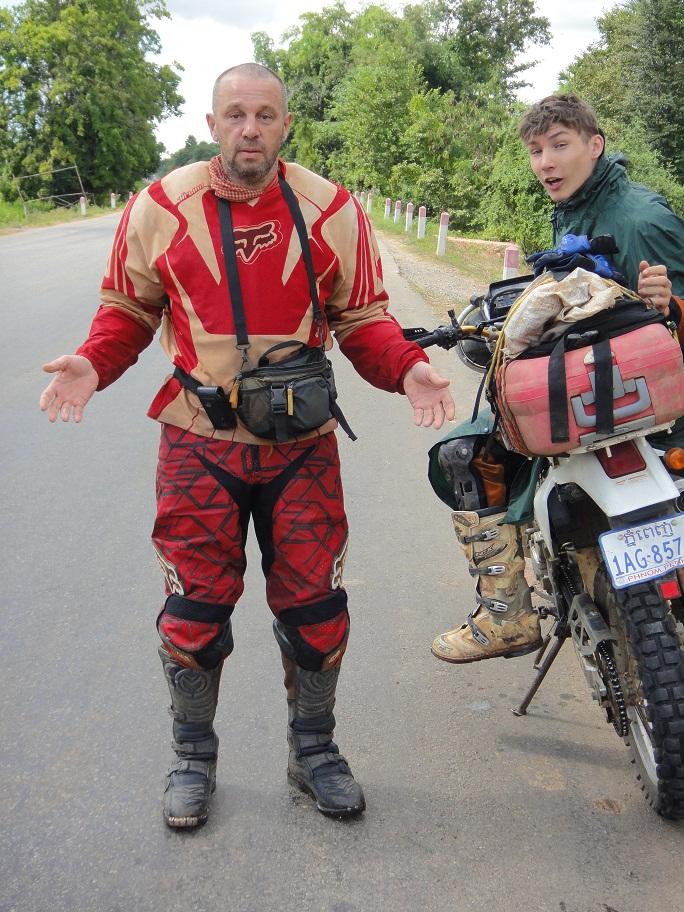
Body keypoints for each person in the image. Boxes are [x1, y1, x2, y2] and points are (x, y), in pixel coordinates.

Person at [39, 63, 455, 828]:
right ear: (212, 123)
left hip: (302, 446)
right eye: (235, 114)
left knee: (318, 612)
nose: (250, 129)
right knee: (193, 613)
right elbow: (128, 309)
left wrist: (407, 368)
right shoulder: (160, 207)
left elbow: (364, 319)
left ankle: (314, 752)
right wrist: (93, 363)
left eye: (265, 115)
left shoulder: (330, 209)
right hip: (198, 446)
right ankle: (192, 757)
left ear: (285, 125)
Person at [431, 93, 684, 665]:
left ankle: (507, 616)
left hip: (638, 401)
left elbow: (675, 309)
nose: (545, 161)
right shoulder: (577, 205)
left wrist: (667, 306)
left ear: (595, 146)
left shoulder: (639, 219)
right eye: (536, 150)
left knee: (467, 453)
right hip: (602, 384)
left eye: (559, 145)